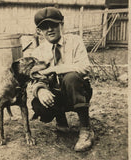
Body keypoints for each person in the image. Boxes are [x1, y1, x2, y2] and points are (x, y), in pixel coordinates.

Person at [29, 6, 94, 152]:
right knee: (38, 102)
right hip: (57, 94)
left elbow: (84, 67)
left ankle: (86, 130)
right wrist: (40, 91)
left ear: (62, 25)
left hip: (79, 91)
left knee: (70, 77)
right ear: (40, 31)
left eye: (53, 25)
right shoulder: (38, 52)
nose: (50, 30)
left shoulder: (75, 41)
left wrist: (54, 69)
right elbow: (35, 78)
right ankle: (61, 121)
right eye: (45, 27)